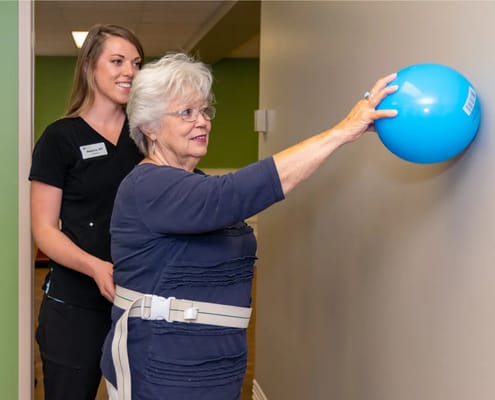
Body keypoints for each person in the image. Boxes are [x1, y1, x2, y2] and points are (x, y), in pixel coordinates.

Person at [100, 52, 398, 400]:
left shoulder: (189, 182)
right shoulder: (147, 187)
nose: (202, 122)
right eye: (186, 113)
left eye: (204, 111)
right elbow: (233, 194)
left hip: (216, 365)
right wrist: (341, 132)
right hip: (163, 366)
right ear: (149, 127)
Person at [29, 24, 144, 400]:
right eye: (117, 60)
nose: (129, 71)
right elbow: (44, 230)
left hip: (137, 304)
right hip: (74, 307)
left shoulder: (145, 137)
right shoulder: (60, 138)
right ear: (90, 66)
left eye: (136, 63)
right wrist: (95, 267)